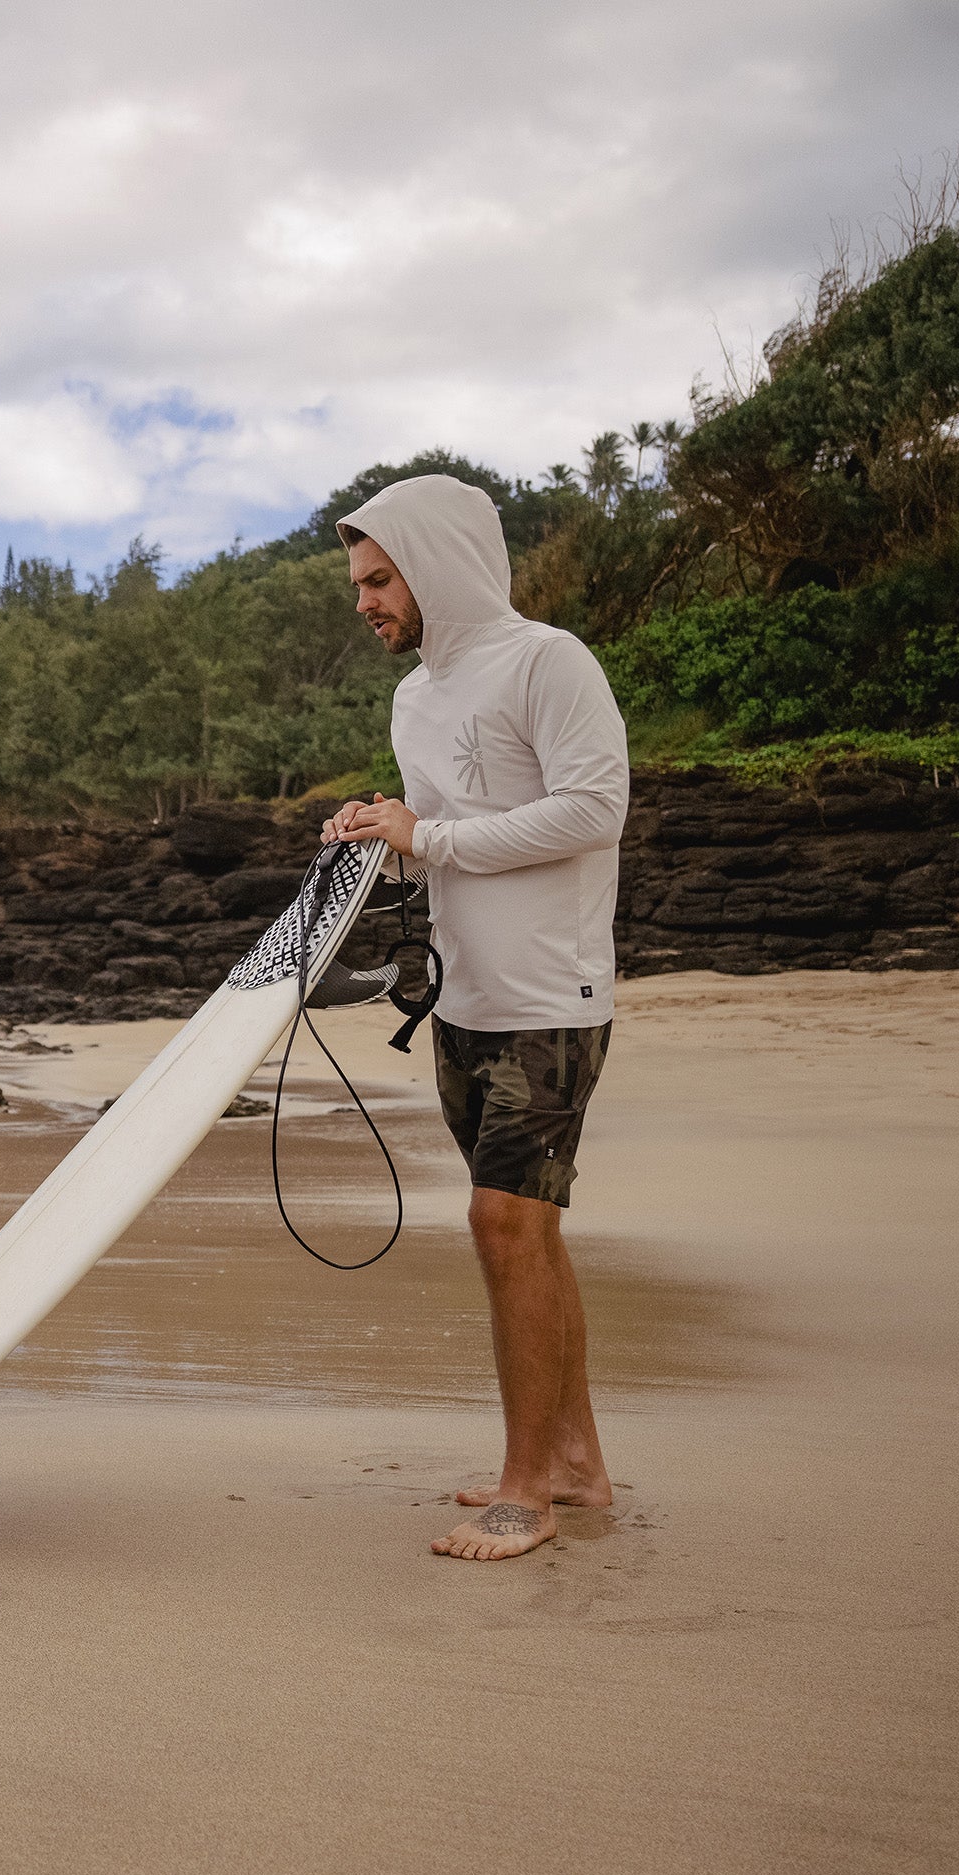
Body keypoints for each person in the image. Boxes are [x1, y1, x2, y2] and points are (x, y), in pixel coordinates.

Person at [321, 474, 629, 1562]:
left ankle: (525, 1489)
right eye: (357, 583)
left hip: (550, 993)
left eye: (377, 576)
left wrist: (428, 836)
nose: (363, 601)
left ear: (436, 558)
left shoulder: (549, 661)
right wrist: (378, 830)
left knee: (502, 1227)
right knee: (525, 1233)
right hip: (465, 998)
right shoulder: (415, 698)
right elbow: (437, 828)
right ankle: (578, 1462)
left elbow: (594, 808)